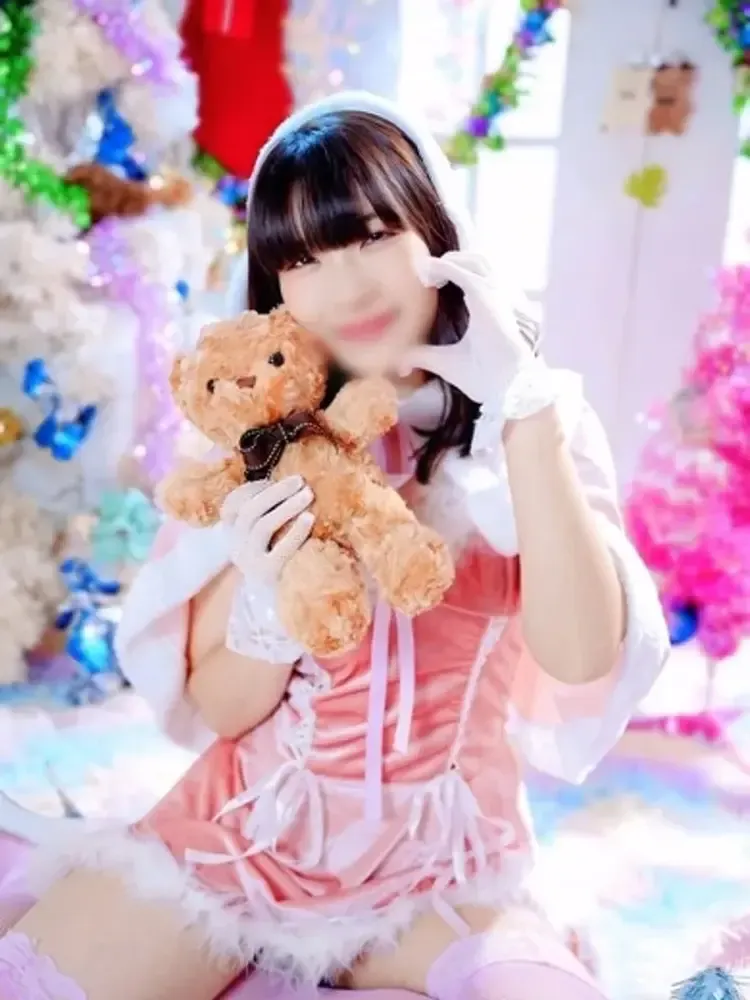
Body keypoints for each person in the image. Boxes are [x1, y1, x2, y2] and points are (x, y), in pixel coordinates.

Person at [0, 91, 669, 1000]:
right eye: (301, 259)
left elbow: (581, 655)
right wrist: (266, 606)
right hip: (241, 842)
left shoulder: (532, 421)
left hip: (447, 866)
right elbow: (223, 710)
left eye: (372, 236)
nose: (344, 287)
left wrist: (526, 415)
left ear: (437, 232)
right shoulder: (254, 440)